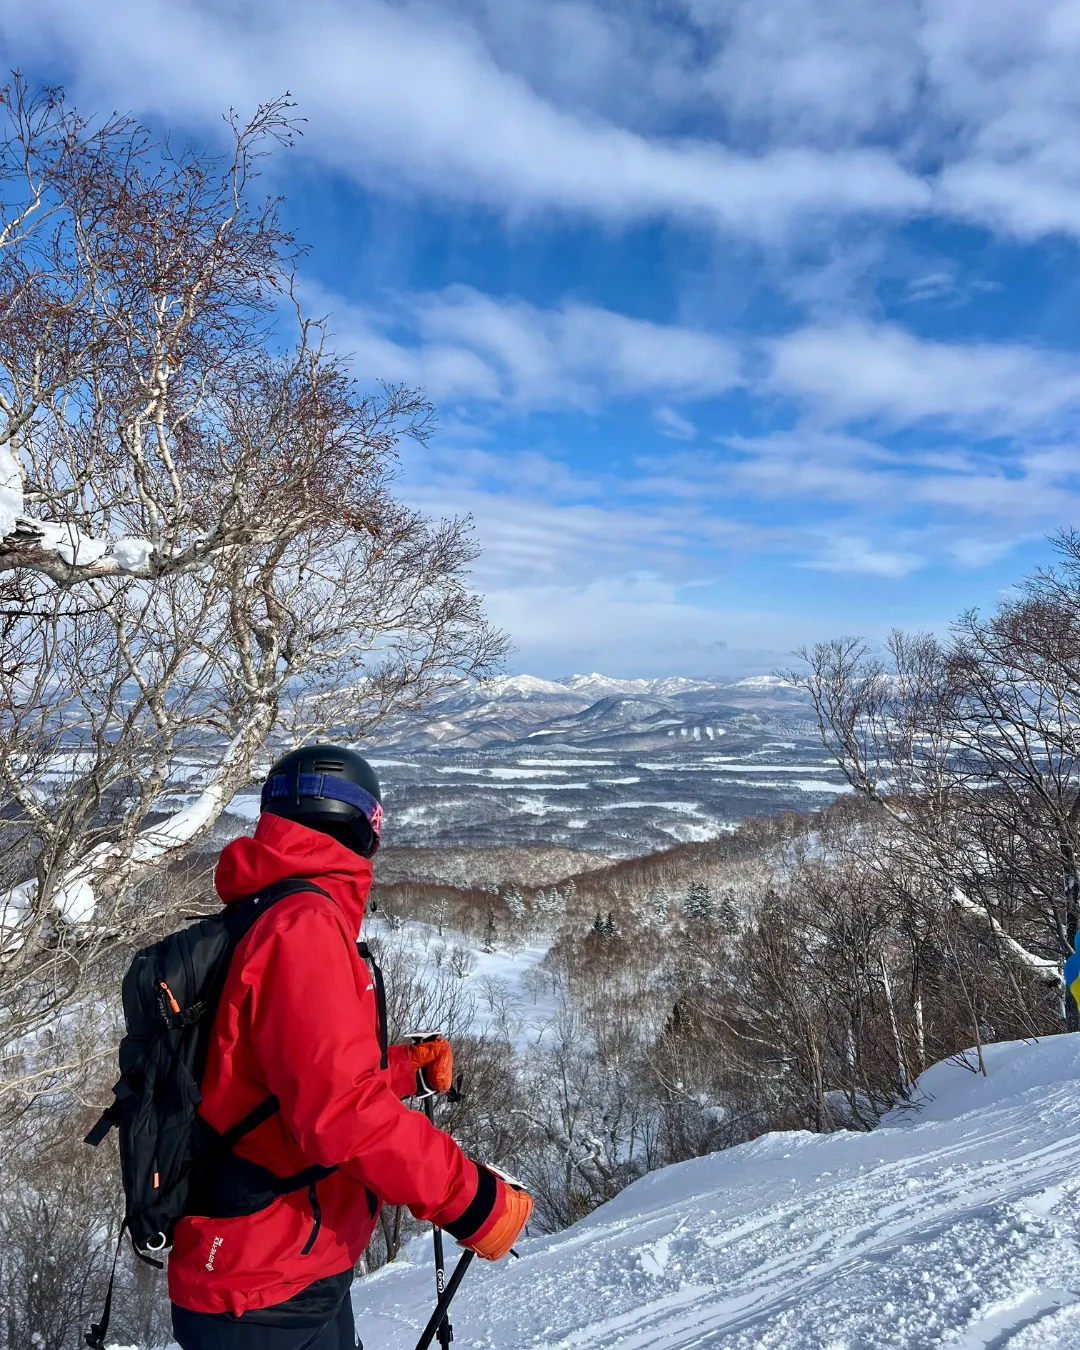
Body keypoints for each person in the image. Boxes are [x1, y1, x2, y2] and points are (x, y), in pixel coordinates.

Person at [167, 745, 533, 1350]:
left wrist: (398, 1073)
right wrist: (472, 1201)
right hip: (266, 1283)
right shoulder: (301, 927)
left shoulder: (268, 909)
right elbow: (339, 1115)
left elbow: (289, 1086)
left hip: (288, 1265)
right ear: (363, 827)